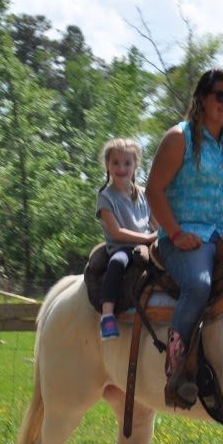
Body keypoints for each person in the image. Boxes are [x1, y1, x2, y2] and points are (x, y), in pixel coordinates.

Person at [146, 68, 223, 408]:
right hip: (184, 236)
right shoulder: (179, 138)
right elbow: (153, 190)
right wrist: (175, 233)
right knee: (199, 286)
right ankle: (176, 369)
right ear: (202, 98)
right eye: (221, 96)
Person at [96, 138, 158, 340]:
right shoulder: (106, 197)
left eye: (127, 163)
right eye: (115, 162)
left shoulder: (144, 194)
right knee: (117, 263)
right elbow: (115, 232)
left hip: (146, 245)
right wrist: (147, 237)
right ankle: (107, 315)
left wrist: (166, 234)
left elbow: (156, 222)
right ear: (107, 165)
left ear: (135, 166)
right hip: (122, 247)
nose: (121, 168)